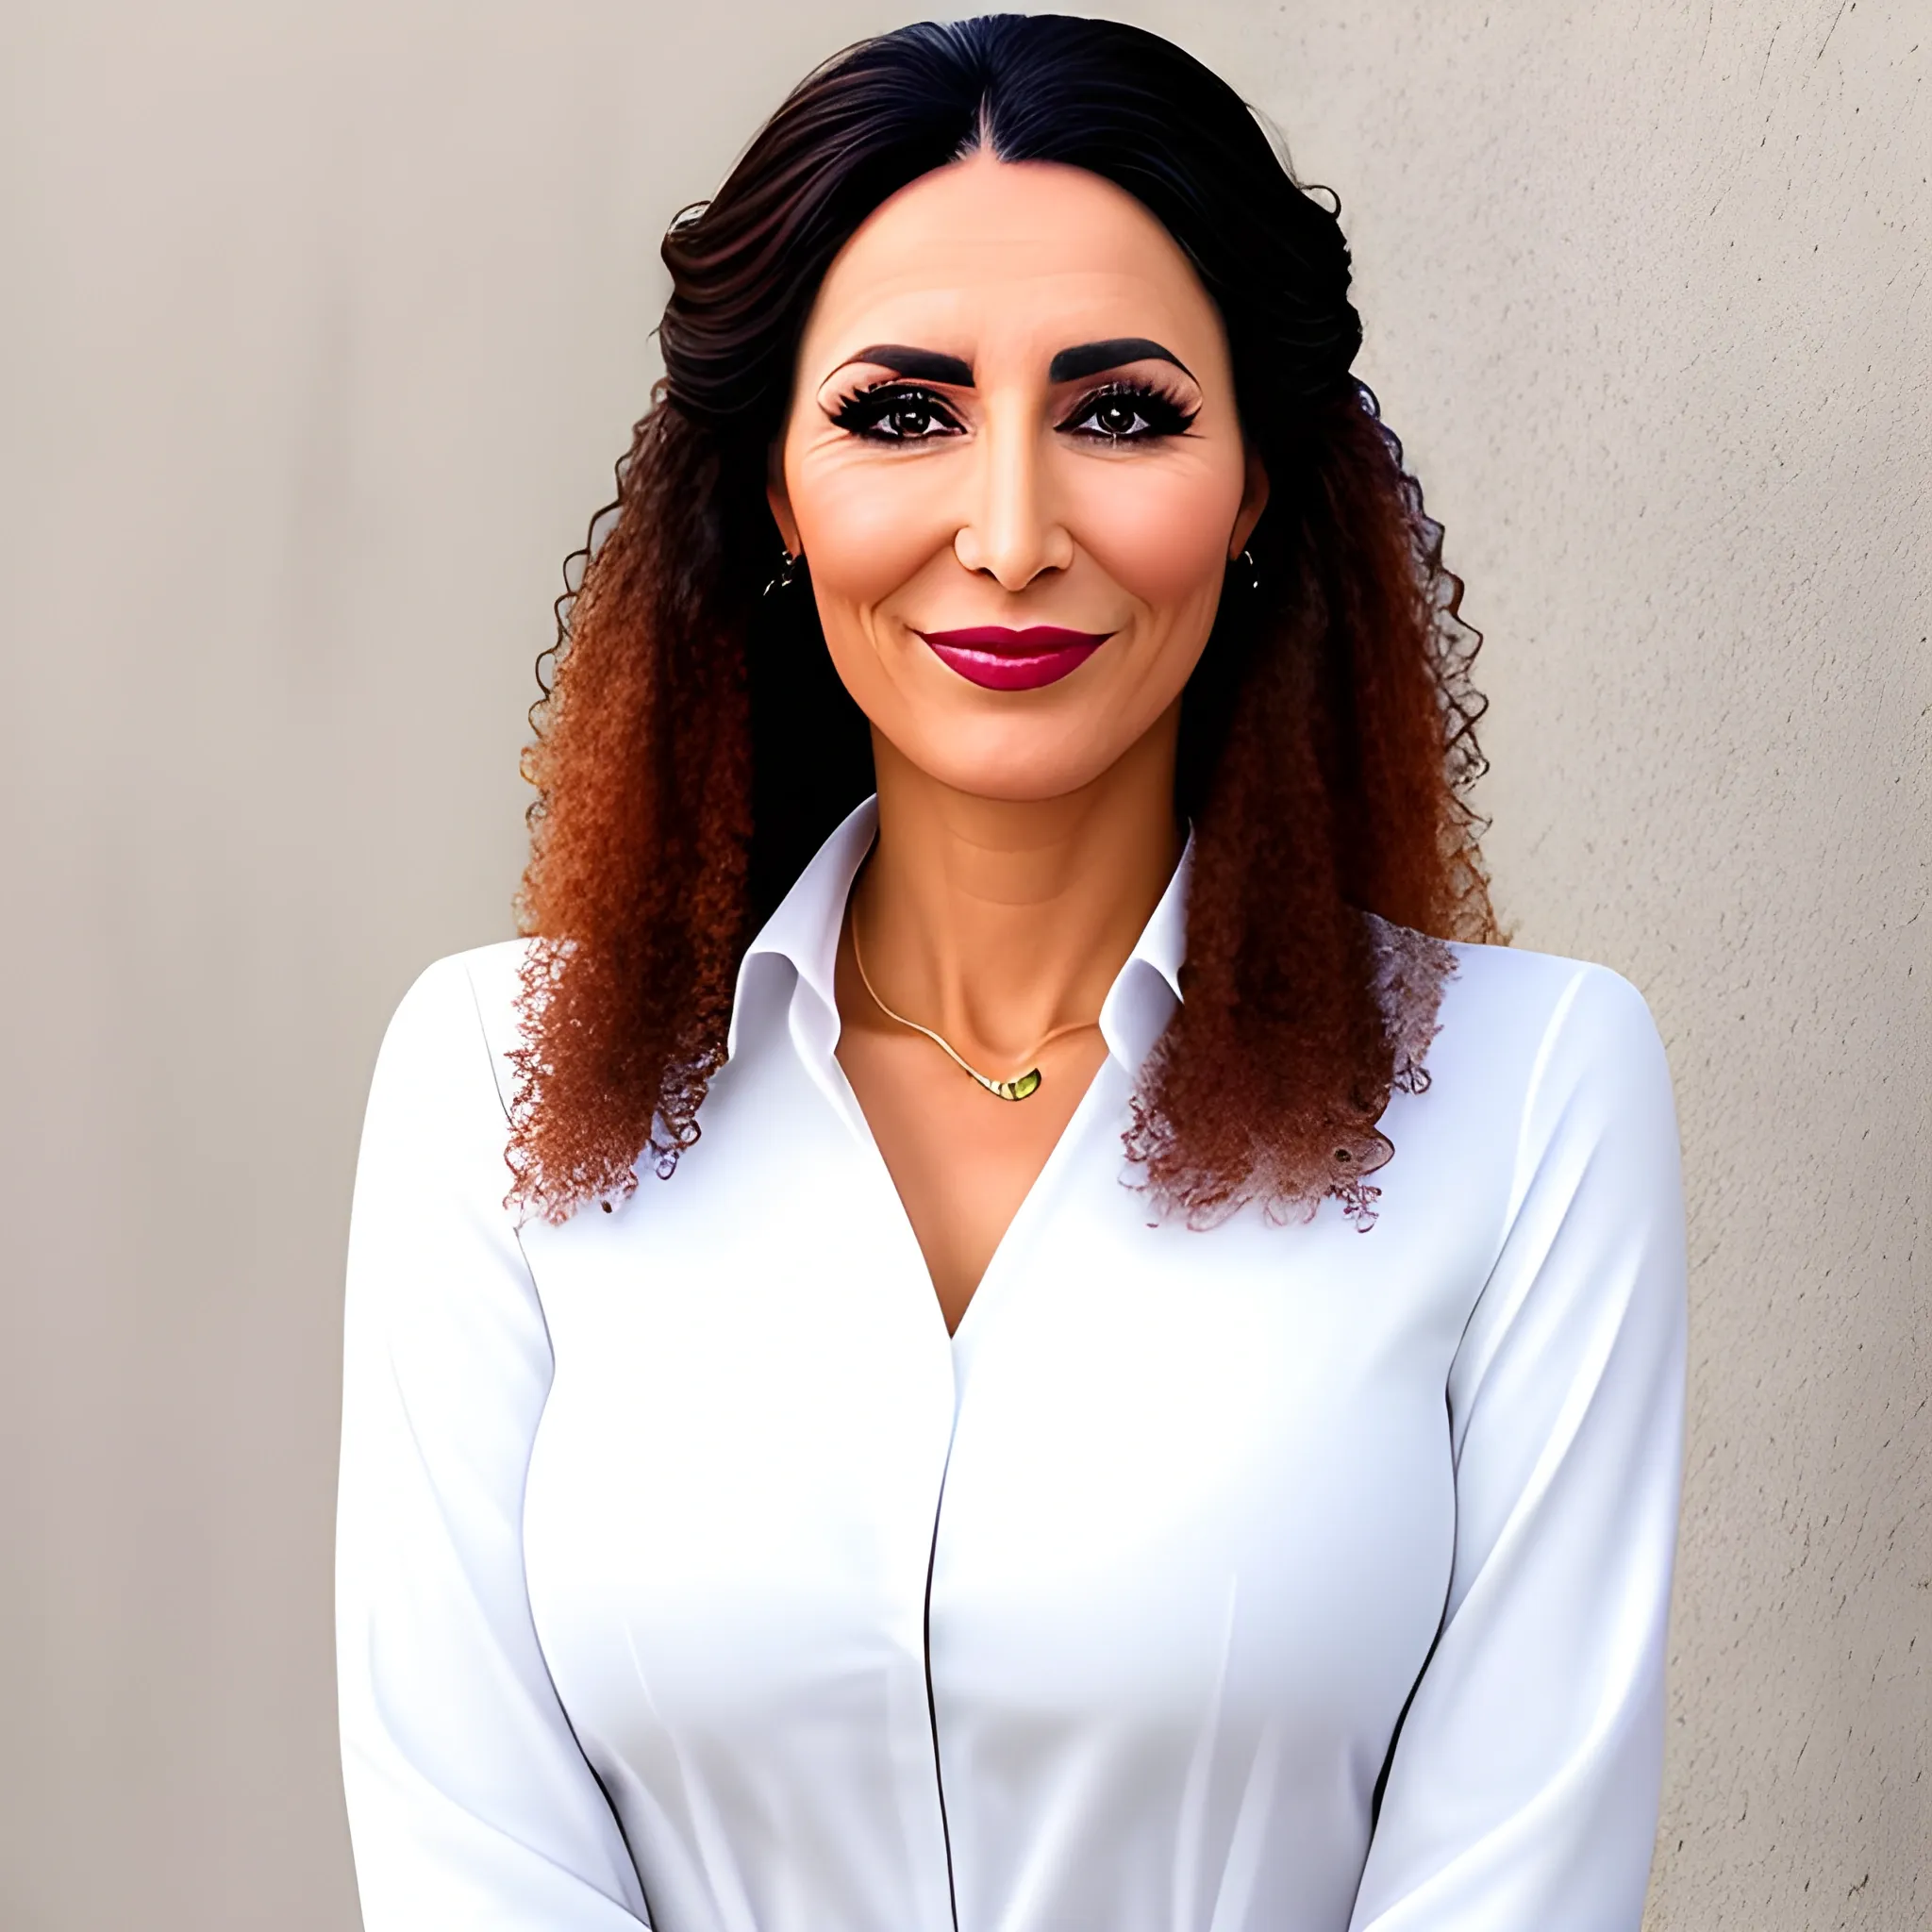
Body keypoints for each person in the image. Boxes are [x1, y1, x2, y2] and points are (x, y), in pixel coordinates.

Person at [335, 15, 1687, 1931]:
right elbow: (472, 1852)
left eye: (1119, 412)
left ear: (1259, 490)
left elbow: (1513, 1878)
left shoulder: (1532, 1094)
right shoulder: (488, 1079)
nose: (1010, 532)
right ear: (779, 498)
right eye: (903, 412)